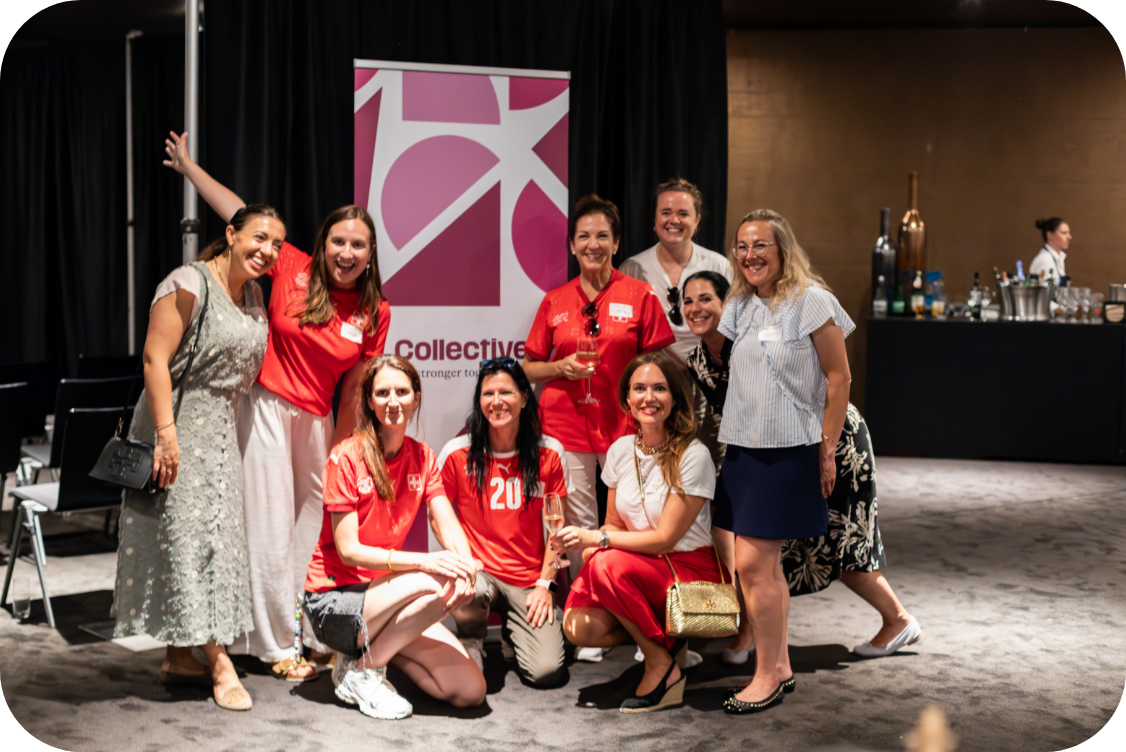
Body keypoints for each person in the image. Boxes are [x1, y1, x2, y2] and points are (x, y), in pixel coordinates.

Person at [164, 132, 390, 680]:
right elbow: (239, 214)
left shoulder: (376, 310)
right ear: (323, 243)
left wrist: (340, 451)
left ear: (370, 255)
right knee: (267, 530)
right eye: (338, 241)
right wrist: (190, 169)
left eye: (358, 245)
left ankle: (307, 633)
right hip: (265, 409)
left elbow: (354, 389)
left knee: (311, 533)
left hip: (318, 424)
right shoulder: (293, 267)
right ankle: (272, 647)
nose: (346, 253)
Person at [682, 271, 920, 668]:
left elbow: (826, 380)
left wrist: (825, 449)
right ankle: (755, 636)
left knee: (840, 540)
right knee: (762, 549)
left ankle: (898, 620)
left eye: (706, 299)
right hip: (769, 452)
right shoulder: (698, 361)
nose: (696, 308)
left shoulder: (754, 334)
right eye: (688, 301)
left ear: (729, 305)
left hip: (829, 439)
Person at [114, 205, 285, 711]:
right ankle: (220, 663)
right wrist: (167, 436)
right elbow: (154, 359)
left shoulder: (252, 293)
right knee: (192, 542)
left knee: (211, 542)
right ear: (231, 234)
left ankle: (179, 656)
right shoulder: (188, 283)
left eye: (277, 244)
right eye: (259, 237)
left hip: (221, 431)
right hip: (177, 423)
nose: (268, 251)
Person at [712, 209, 854, 715]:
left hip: (788, 450)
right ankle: (780, 664)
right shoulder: (739, 305)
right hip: (743, 449)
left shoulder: (812, 300)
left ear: (782, 250)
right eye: (742, 247)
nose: (749, 255)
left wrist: (827, 447)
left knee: (753, 565)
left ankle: (765, 675)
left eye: (760, 246)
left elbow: (840, 378)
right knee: (763, 566)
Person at [522, 194, 675, 663]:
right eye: (584, 236)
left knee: (637, 519)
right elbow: (529, 366)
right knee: (580, 524)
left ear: (616, 242)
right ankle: (593, 608)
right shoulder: (555, 300)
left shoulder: (640, 295)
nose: (593, 244)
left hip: (626, 425)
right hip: (566, 424)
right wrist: (560, 368)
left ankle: (644, 617)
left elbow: (659, 362)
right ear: (572, 245)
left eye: (602, 236)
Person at [302, 355, 486, 720]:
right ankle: (363, 671)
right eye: (382, 393)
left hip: (388, 603)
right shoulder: (346, 457)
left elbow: (448, 525)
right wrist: (426, 562)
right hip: (334, 603)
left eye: (402, 392)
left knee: (470, 690)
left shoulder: (423, 456)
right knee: (435, 580)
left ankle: (369, 657)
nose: (393, 401)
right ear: (369, 401)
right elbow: (349, 551)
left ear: (416, 397)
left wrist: (466, 567)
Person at [553, 352, 726, 713]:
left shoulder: (693, 455)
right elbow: (613, 525)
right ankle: (668, 642)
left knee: (604, 562)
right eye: (639, 389)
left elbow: (665, 539)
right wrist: (597, 543)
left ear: (674, 398)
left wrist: (597, 541)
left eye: (659, 388)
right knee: (578, 627)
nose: (649, 397)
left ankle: (660, 665)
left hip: (687, 568)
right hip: (635, 567)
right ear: (627, 400)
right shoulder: (620, 450)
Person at [438, 358, 571, 687]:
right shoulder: (457, 452)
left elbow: (557, 530)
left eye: (506, 393)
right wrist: (463, 562)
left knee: (547, 673)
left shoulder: (550, 453)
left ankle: (514, 633)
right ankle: (471, 640)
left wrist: (546, 585)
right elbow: (436, 515)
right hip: (479, 572)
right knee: (470, 588)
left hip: (528, 581)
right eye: (488, 394)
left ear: (524, 398)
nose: (496, 402)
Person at [619, 178, 732, 368]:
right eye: (666, 213)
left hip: (712, 375)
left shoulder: (719, 266)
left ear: (696, 220)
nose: (674, 220)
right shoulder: (632, 269)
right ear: (655, 219)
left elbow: (736, 327)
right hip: (654, 376)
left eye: (683, 214)